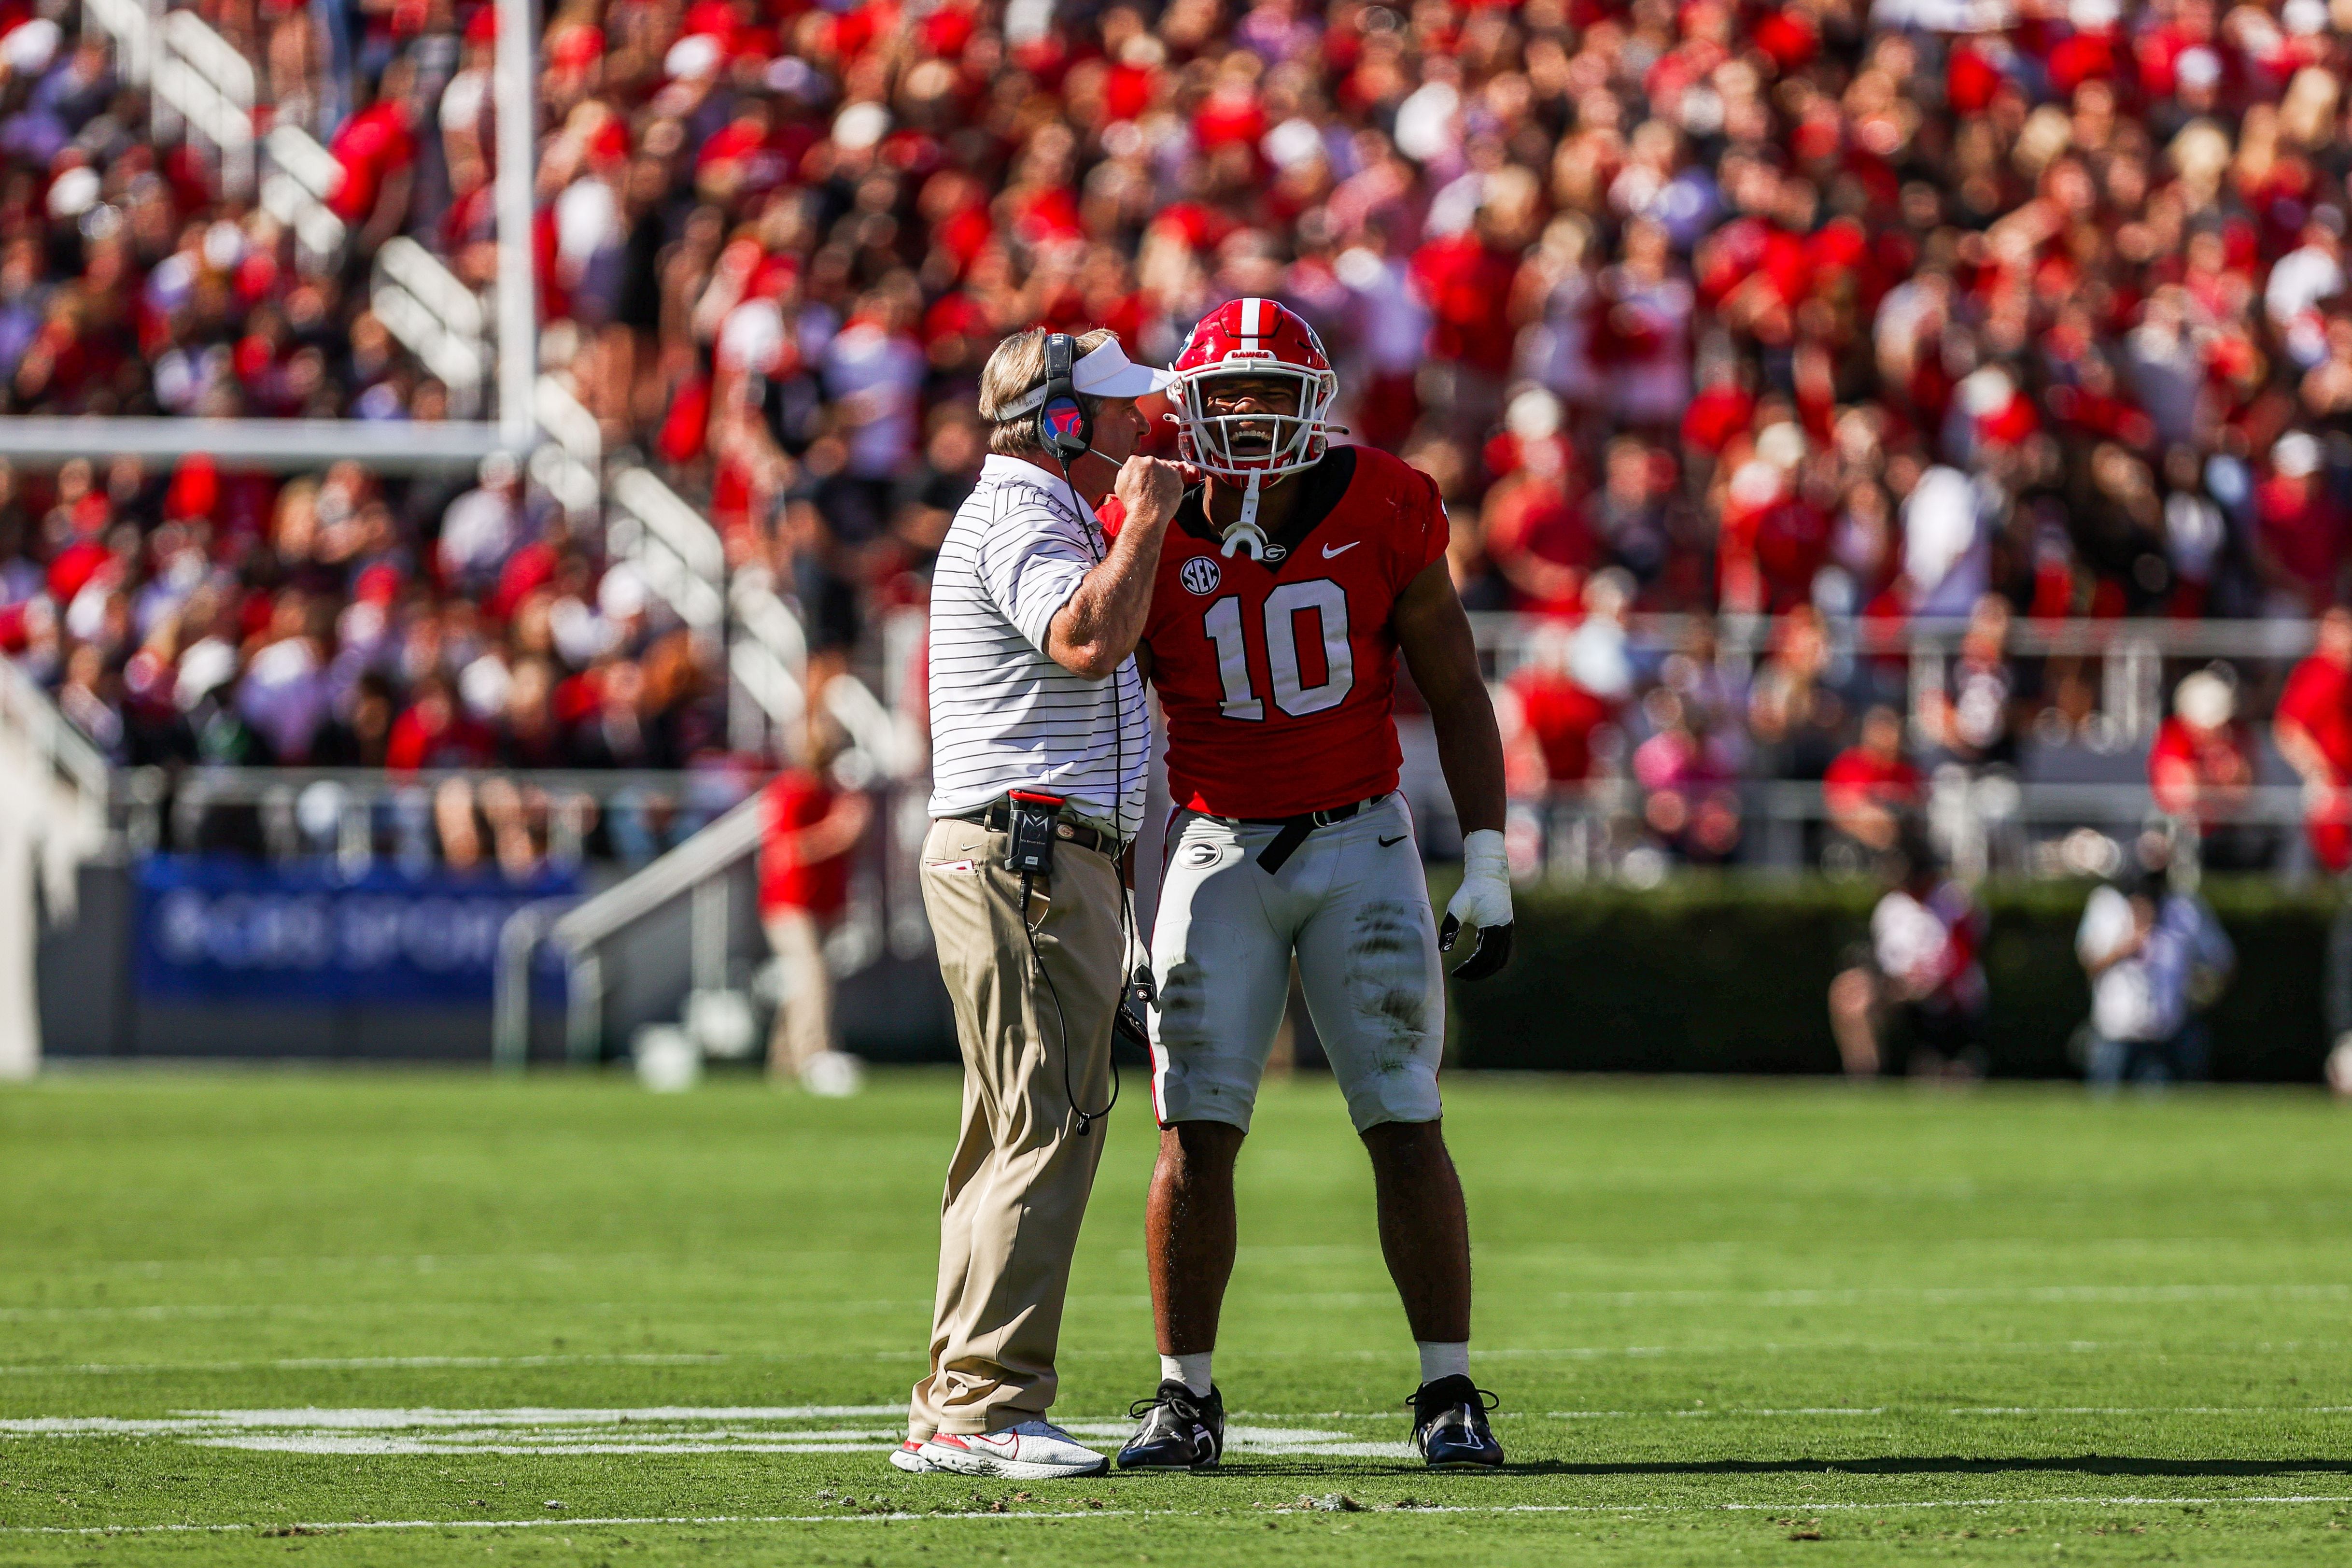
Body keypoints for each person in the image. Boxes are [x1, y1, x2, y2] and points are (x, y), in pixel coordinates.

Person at [1107, 298, 1515, 1473]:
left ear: (1313, 404)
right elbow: (1111, 712)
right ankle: (1183, 1394)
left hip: (1357, 838)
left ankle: (1447, 1385)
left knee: (1401, 1112)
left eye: (1264, 392)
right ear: (1182, 406)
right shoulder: (1147, 510)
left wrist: (1484, 855)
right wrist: (1123, 897)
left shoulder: (1385, 496)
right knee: (1193, 1126)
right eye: (1219, 393)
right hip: (1213, 839)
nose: (1240, 414)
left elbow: (1454, 688)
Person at [897, 326, 1184, 1483]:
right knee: (1048, 1121)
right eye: (1115, 410)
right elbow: (1080, 636)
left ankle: (954, 1395)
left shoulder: (1032, 507)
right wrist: (1148, 520)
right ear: (1060, 421)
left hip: (1021, 849)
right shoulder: (1025, 511)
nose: (1137, 426)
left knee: (1006, 1125)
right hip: (1024, 848)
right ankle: (990, 1402)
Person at [756, 720, 872, 1082]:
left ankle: (783, 1062)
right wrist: (838, 831)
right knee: (813, 977)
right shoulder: (790, 792)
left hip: (821, 902)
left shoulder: (832, 793)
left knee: (802, 982)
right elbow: (786, 850)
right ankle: (814, 1055)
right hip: (790, 903)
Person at [1828, 827, 1988, 1079]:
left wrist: (1929, 983)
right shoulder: (1891, 907)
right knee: (1850, 992)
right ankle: (1865, 1076)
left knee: (1948, 1077)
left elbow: (1963, 961)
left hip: (1949, 998)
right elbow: (1886, 965)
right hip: (1904, 995)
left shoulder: (1955, 901)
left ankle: (1949, 1056)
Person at [2075, 848, 2233, 1091]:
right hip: (2116, 1033)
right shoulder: (2107, 907)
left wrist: (2200, 994)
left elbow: (2221, 961)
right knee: (2104, 1110)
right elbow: (2089, 962)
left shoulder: (2184, 911)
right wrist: (2123, 949)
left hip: (2168, 1034)